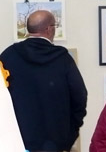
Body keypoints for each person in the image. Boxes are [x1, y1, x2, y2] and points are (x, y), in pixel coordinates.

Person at [0, 10, 88, 152]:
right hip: (55, 143)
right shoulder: (63, 58)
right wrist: (69, 135)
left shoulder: (8, 55)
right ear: (49, 29)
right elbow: (80, 97)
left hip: (18, 141)